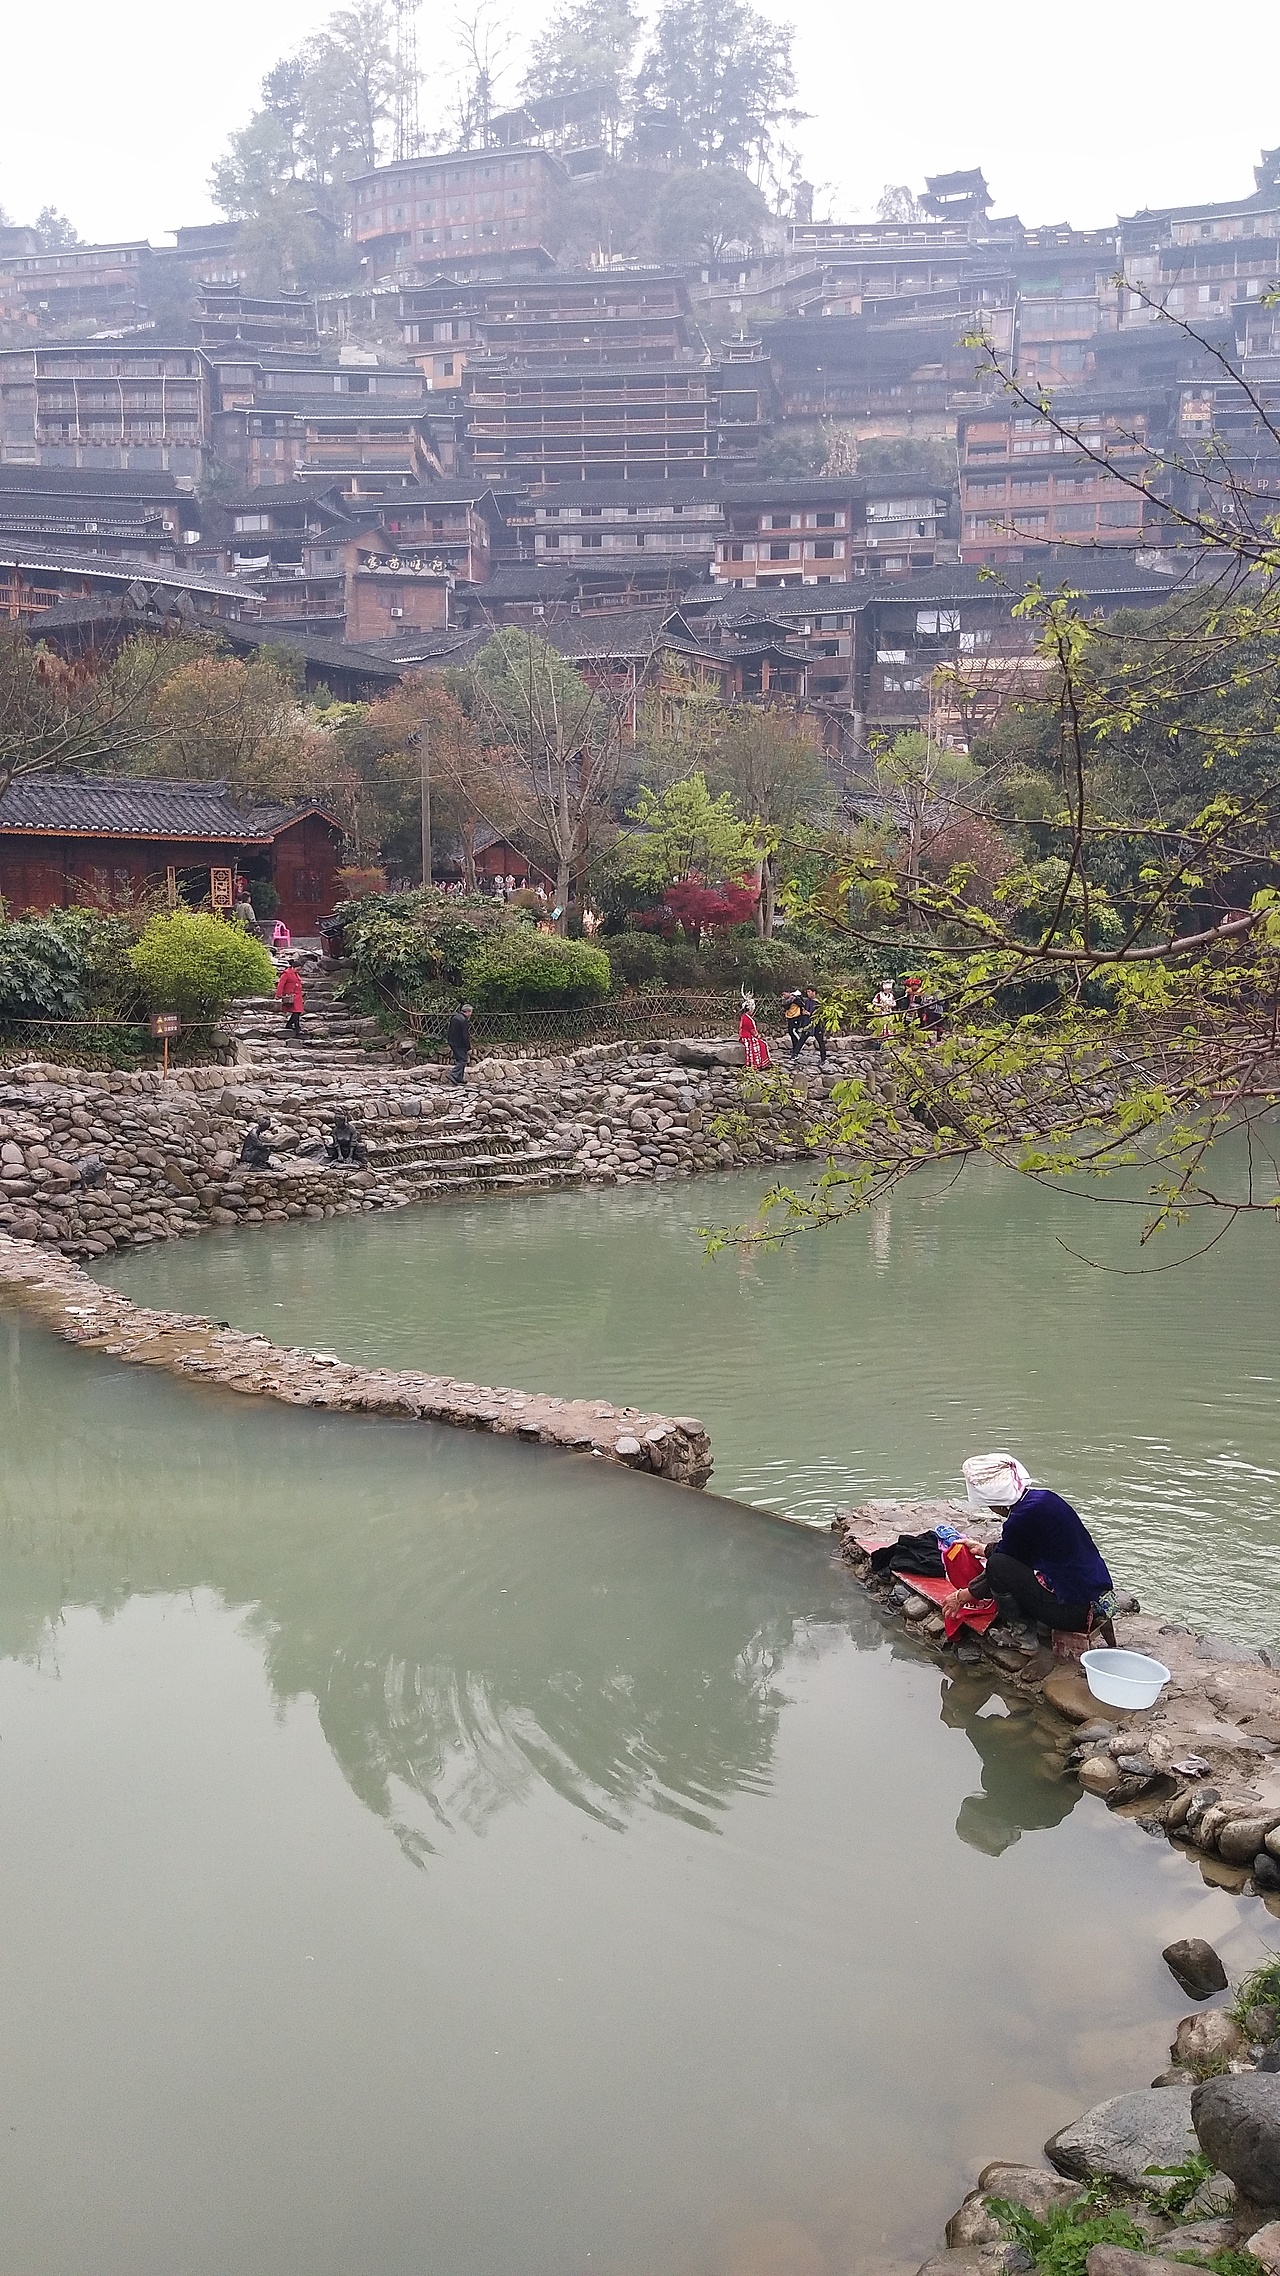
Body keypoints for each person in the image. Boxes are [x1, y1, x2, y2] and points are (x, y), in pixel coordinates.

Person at [941, 1452, 1117, 1645]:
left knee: (997, 1566)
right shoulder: (1045, 1499)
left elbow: (1000, 1564)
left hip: (1074, 1613)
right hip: (1095, 1595)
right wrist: (984, 1549)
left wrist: (962, 1596)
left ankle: (1022, 1637)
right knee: (1000, 1561)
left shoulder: (1020, 1520)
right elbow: (1020, 1548)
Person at [738, 992, 771, 1070]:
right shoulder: (747, 1018)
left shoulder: (745, 1016)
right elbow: (752, 1030)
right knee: (762, 1045)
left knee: (762, 1044)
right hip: (747, 1036)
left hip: (745, 1035)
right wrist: (757, 1035)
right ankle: (757, 1063)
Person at [799, 985, 828, 1066]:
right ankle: (795, 1054)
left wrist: (809, 1013)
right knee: (802, 1038)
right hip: (808, 1024)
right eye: (807, 992)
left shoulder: (818, 1002)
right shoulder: (807, 1001)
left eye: (809, 992)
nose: (807, 993)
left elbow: (819, 1014)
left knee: (820, 1041)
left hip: (817, 1025)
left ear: (814, 992)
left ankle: (823, 1058)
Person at [275, 961, 304, 1037]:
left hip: (297, 996)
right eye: (297, 969)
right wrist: (278, 994)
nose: (298, 971)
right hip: (291, 995)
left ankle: (292, 1025)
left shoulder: (295, 974)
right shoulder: (286, 974)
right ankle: (295, 1026)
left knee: (298, 1011)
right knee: (296, 1011)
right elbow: (281, 984)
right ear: (293, 967)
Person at [448, 1001, 473, 1085]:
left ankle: (459, 1078)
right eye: (470, 1012)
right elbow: (465, 1035)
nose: (471, 1014)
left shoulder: (455, 1017)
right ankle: (454, 1074)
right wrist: (468, 1047)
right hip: (460, 1044)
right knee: (463, 1060)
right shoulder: (463, 1020)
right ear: (467, 1012)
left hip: (452, 1041)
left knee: (460, 1059)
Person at [782, 991, 805, 1057]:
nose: (783, 995)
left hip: (796, 1017)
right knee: (791, 1032)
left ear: (788, 992)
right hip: (790, 1017)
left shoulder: (795, 999)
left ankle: (800, 1044)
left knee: (793, 1031)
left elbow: (802, 1005)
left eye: (784, 994)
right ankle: (795, 1047)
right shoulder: (787, 1001)